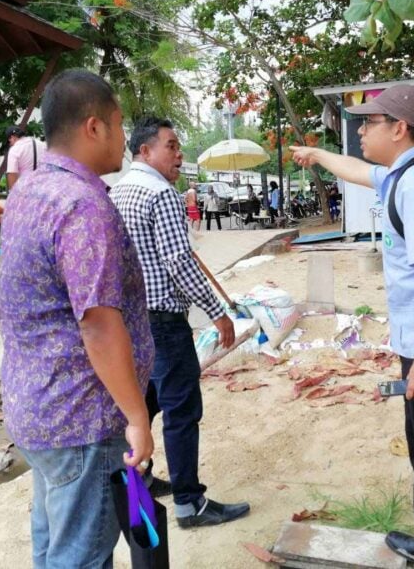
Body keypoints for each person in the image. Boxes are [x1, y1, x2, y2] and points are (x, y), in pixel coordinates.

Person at [291, 85, 414, 568]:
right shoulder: (404, 173)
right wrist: (319, 154)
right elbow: (361, 171)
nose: (361, 130)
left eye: (370, 122)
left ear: (399, 128)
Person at [0, 69, 154, 567]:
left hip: (38, 406)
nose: (125, 137)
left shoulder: (30, 190)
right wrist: (136, 416)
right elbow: (98, 324)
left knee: (53, 545)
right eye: (120, 123)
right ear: (94, 127)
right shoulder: (83, 206)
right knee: (81, 556)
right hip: (81, 419)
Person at [109, 116, 250, 528]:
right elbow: (178, 263)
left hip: (131, 320)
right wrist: (217, 311)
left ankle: (142, 476)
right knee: (181, 409)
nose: (178, 154)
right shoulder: (161, 194)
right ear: (145, 151)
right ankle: (190, 503)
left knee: (144, 403)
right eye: (171, 146)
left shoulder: (120, 192)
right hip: (164, 322)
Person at [5, 124, 47, 190]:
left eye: (9, 141)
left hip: (26, 189)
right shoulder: (42, 144)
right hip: (44, 186)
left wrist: (12, 194)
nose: (10, 144)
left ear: (13, 137)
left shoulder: (15, 150)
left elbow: (12, 174)